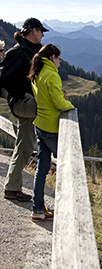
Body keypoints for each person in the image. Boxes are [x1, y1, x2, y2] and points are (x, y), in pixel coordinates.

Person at [2, 18, 46, 204]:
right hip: (23, 103)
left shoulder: (34, 51)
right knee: (49, 110)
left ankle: (12, 188)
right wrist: (23, 94)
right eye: (41, 31)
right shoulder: (17, 53)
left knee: (25, 146)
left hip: (28, 102)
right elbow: (4, 78)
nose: (43, 34)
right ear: (33, 31)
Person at [29, 44, 69, 221]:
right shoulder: (51, 75)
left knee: (42, 169)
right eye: (59, 58)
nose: (60, 62)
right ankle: (69, 207)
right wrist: (71, 106)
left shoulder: (38, 72)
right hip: (52, 128)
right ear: (53, 57)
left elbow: (45, 97)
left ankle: (37, 209)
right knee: (68, 166)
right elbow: (59, 104)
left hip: (40, 124)